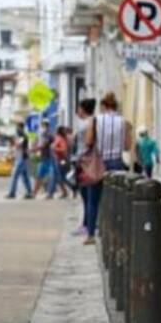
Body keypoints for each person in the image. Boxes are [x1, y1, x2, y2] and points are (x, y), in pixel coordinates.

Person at [81, 92, 132, 245]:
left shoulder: (95, 120)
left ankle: (91, 234)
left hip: (98, 163)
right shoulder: (124, 122)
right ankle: (116, 234)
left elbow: (88, 141)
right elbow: (127, 146)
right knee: (117, 200)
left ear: (103, 106)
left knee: (93, 200)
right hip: (117, 162)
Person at [73, 99, 97, 237]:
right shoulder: (91, 122)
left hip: (84, 162)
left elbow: (85, 143)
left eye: (79, 108)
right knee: (88, 196)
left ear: (83, 109)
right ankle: (87, 224)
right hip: (87, 161)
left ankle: (87, 225)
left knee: (87, 196)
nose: (77, 111)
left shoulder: (85, 123)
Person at [5, 123, 34, 199]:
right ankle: (29, 192)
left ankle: (12, 193)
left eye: (17, 127)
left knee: (14, 176)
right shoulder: (21, 136)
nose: (16, 129)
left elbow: (18, 145)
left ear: (20, 127)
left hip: (21, 159)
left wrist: (13, 141)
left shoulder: (23, 136)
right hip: (23, 158)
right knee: (25, 177)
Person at [32, 121, 58, 198]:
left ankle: (49, 194)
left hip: (50, 158)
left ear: (46, 126)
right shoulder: (42, 134)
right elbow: (37, 141)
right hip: (44, 158)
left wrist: (34, 149)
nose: (41, 128)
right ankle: (34, 193)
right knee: (40, 176)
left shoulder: (49, 134)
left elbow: (44, 144)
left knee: (51, 177)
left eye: (42, 126)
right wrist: (35, 144)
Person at [52, 126, 72, 199]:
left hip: (62, 160)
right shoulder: (62, 138)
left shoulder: (61, 139)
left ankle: (72, 188)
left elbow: (64, 149)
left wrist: (55, 148)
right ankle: (65, 192)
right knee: (61, 177)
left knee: (62, 177)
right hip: (61, 159)